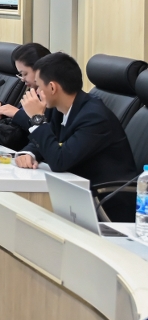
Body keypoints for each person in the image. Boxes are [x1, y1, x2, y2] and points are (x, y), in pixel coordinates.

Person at [15, 53, 139, 220]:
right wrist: (29, 153)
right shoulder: (59, 108)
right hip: (76, 192)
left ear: (52, 87)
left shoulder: (94, 117)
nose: (35, 91)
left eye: (38, 86)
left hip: (106, 203)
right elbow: (50, 137)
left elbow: (60, 161)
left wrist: (36, 119)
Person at [0, 42, 52, 126]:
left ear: (40, 70)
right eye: (20, 75)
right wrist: (1, 107)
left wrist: (17, 114)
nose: (22, 79)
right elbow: (24, 113)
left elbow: (43, 129)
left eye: (25, 74)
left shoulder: (51, 98)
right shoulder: (33, 90)